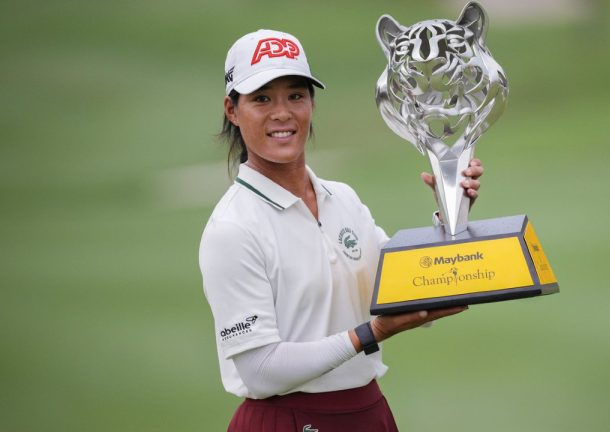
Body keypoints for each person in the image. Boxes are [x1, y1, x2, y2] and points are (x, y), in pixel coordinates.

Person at [199, 29, 484, 432]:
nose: (282, 113)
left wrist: (451, 213)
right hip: (286, 420)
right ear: (232, 109)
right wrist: (370, 333)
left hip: (366, 412)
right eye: (262, 98)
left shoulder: (342, 199)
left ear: (311, 103)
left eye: (296, 95)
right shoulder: (233, 227)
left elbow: (406, 293)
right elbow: (261, 370)